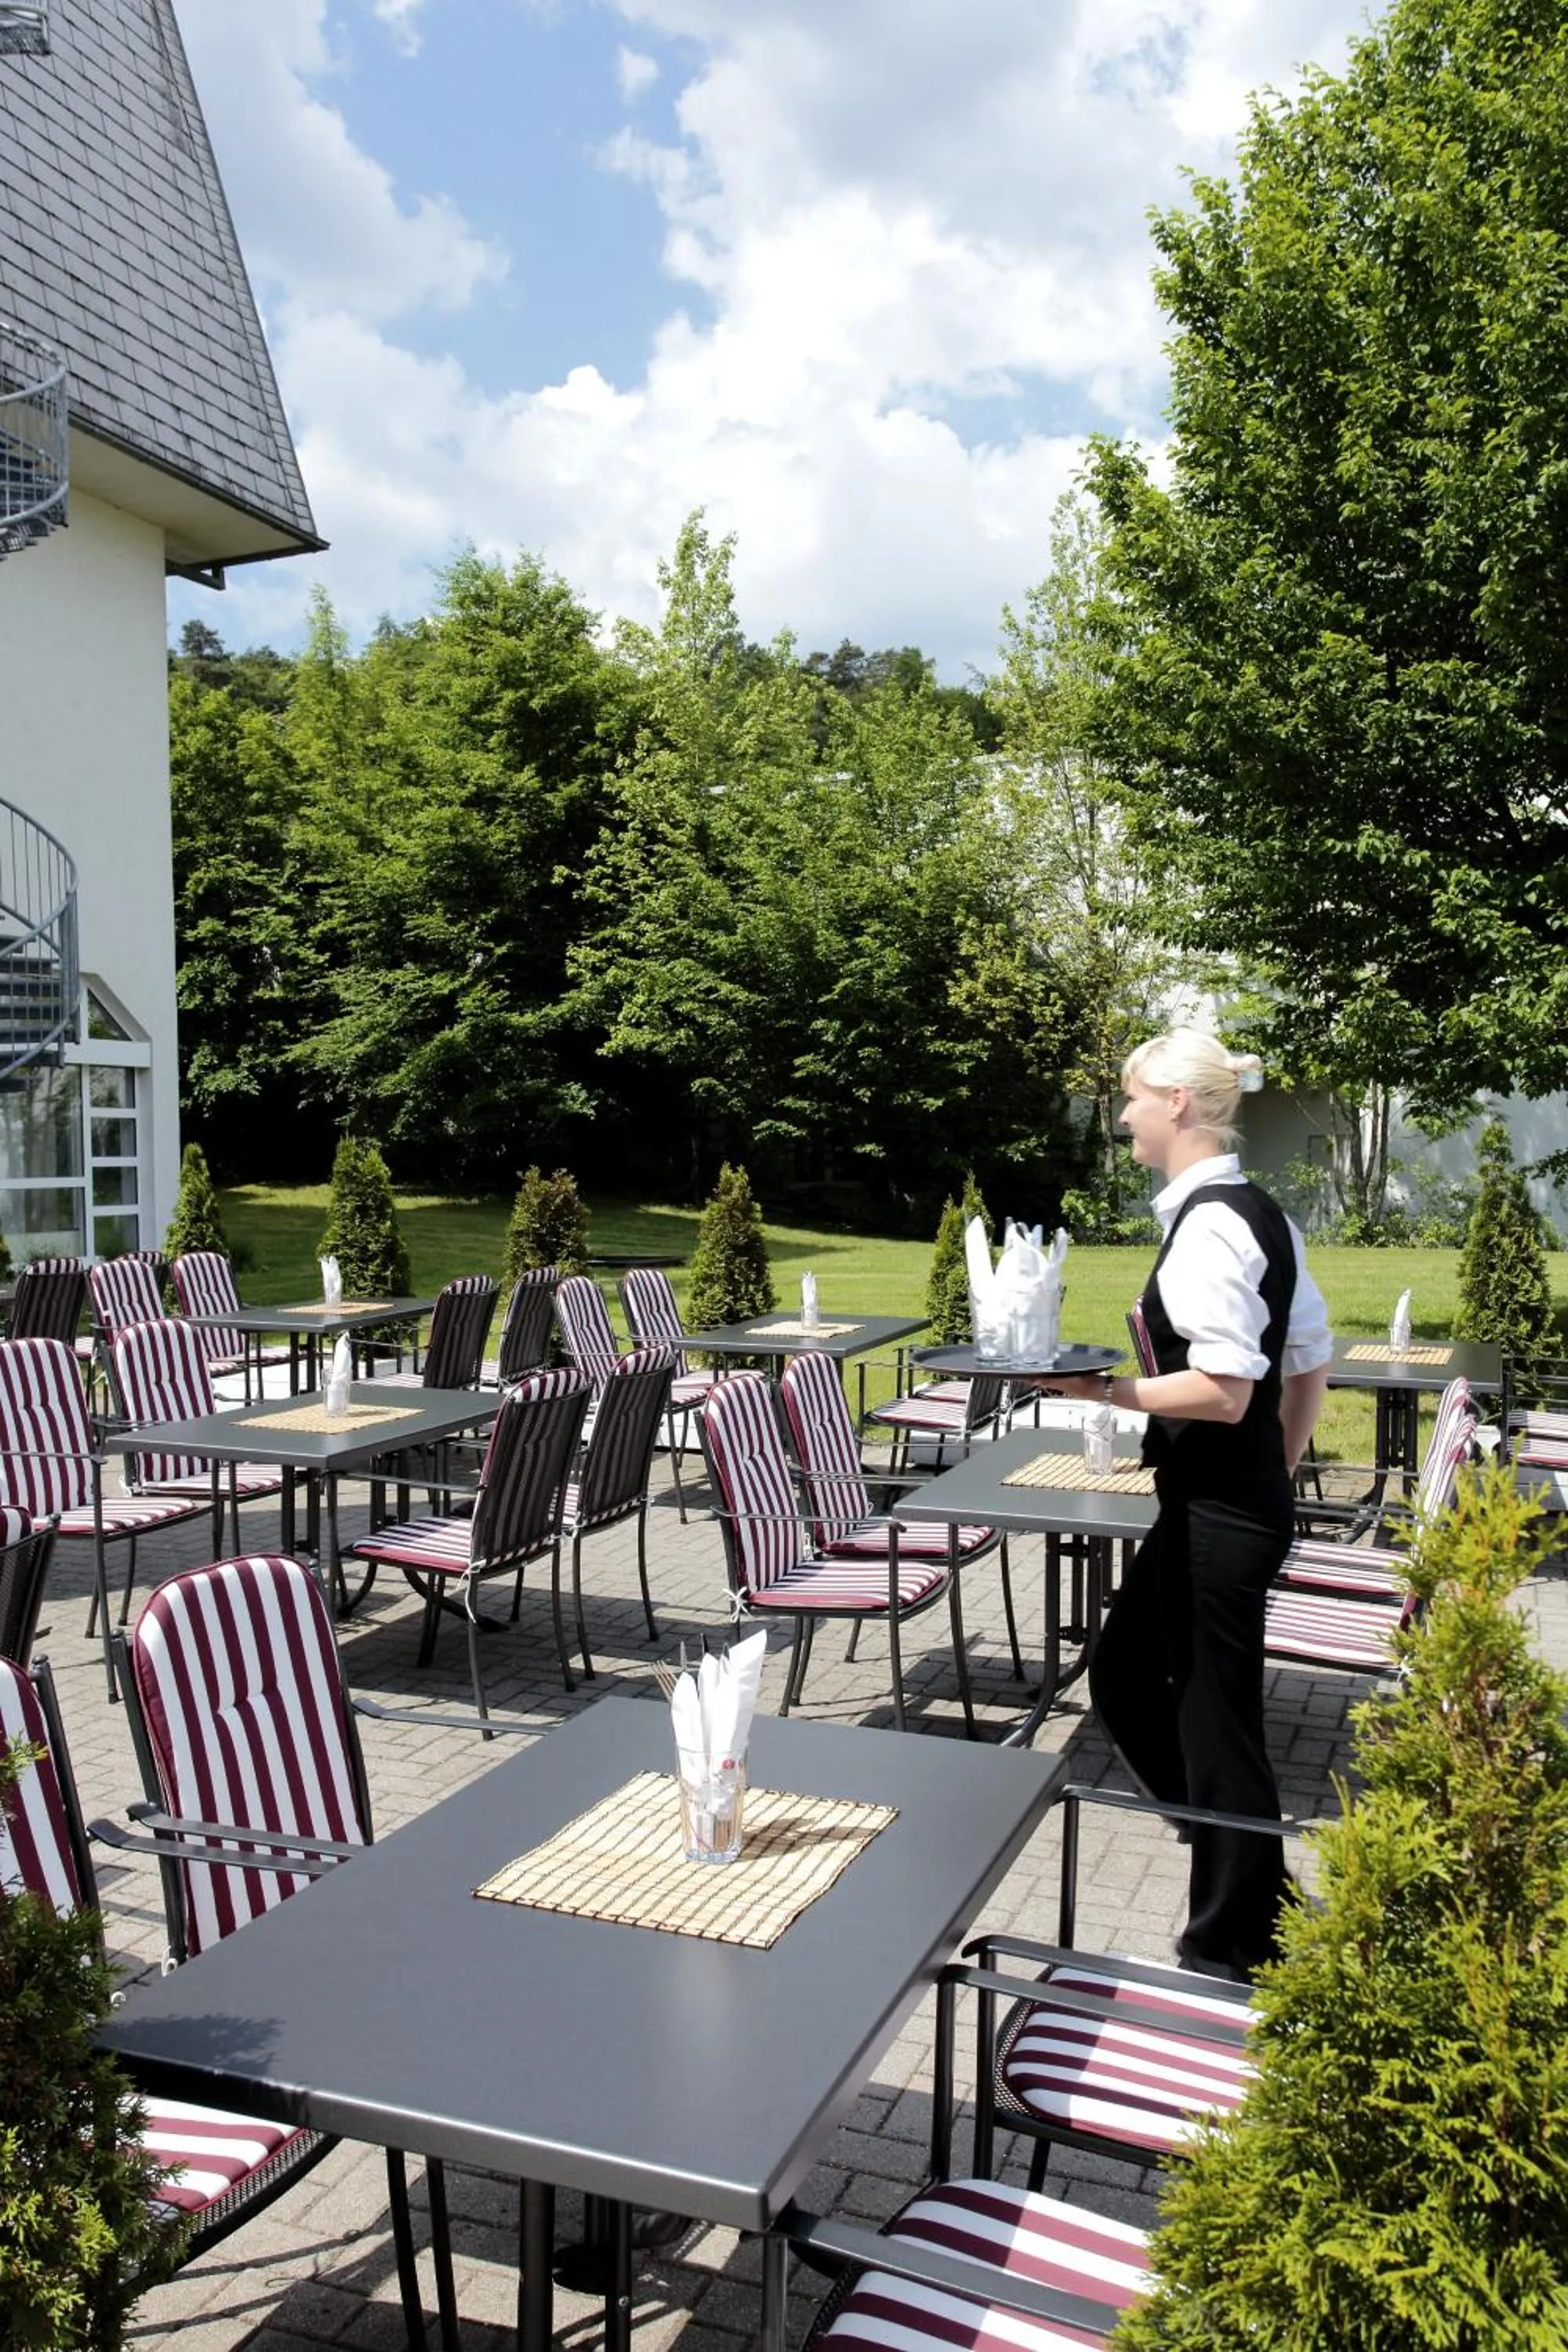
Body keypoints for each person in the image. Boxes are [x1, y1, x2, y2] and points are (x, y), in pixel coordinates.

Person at [1047, 1029, 1333, 1980]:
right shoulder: (1256, 1212)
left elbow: (1223, 1389)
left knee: (1218, 1721)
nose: (1121, 1115)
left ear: (1174, 1102)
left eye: (1129, 1097)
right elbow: (1309, 1362)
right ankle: (1239, 1866)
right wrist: (1275, 1476)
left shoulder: (1213, 1223)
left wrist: (1105, 1396)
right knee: (1127, 1675)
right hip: (1222, 1502)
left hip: (1220, 1508)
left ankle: (1236, 1935)